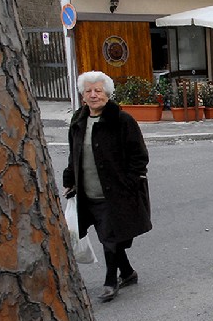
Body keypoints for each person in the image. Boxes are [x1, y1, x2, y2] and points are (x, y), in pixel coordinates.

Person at [63, 71, 152, 302]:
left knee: (109, 237)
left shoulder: (122, 120)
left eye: (98, 91)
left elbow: (139, 157)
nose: (93, 95)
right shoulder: (78, 120)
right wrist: (70, 179)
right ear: (83, 95)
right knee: (107, 235)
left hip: (115, 192)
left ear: (107, 94)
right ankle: (128, 273)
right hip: (87, 191)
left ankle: (111, 281)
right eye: (88, 91)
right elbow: (74, 153)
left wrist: (131, 182)